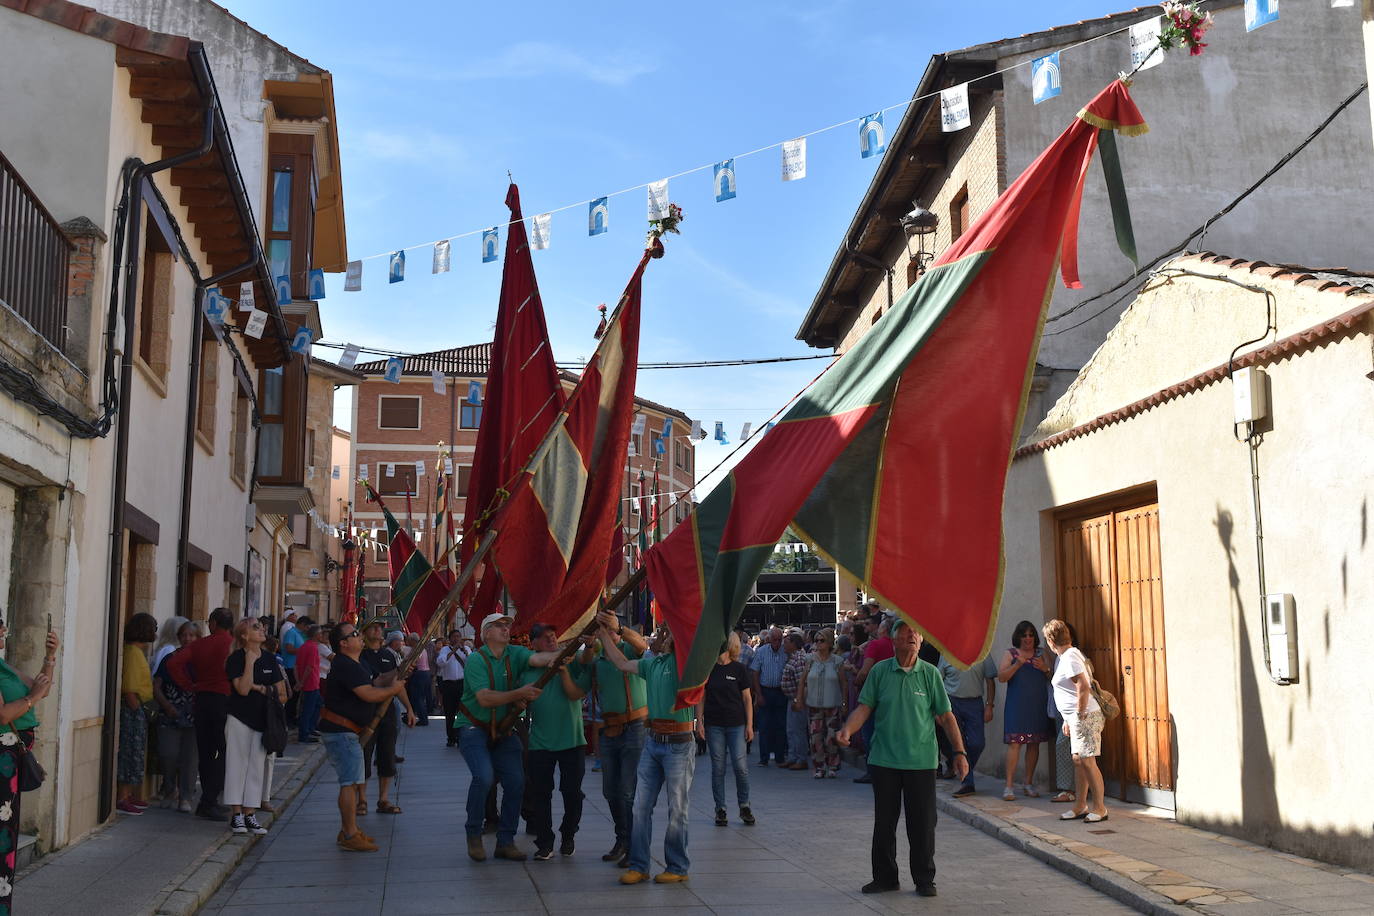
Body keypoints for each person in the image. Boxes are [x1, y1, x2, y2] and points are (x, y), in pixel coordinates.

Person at [837, 618, 967, 898]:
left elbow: (946, 716)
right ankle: (885, 878)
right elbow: (865, 707)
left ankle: (924, 879)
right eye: (905, 631)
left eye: (916, 632)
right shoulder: (881, 672)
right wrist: (848, 728)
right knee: (884, 822)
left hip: (921, 762)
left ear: (921, 642)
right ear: (893, 641)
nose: (912, 635)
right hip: (884, 760)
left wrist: (959, 753)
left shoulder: (930, 674)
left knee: (922, 824)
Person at [597, 615, 702, 886]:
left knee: (677, 809)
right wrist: (603, 635)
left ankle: (678, 866)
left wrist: (618, 629)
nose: (660, 635)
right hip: (653, 742)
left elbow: (696, 646)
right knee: (640, 808)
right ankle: (640, 865)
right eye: (661, 631)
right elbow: (620, 662)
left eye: (666, 632)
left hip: (679, 744)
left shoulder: (686, 666)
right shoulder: (652, 664)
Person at [455, 612, 564, 862]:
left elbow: (539, 659)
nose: (506, 629)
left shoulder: (515, 653)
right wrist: (519, 693)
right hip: (474, 728)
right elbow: (484, 698)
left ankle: (505, 841)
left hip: (505, 730)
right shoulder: (476, 660)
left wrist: (569, 652)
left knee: (516, 782)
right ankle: (473, 834)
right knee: (483, 777)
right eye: (499, 625)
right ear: (486, 634)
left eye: (507, 625)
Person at [320, 621, 408, 852]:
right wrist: (394, 690)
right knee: (348, 783)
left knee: (352, 781)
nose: (360, 636)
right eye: (354, 634)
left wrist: (398, 673)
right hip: (341, 731)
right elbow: (368, 693)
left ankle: (349, 829)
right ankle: (350, 834)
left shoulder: (357, 663)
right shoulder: (345, 664)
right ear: (343, 643)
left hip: (349, 731)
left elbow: (374, 681)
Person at [0, 611, 58, 914]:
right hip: (2, 762)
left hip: (9, 765)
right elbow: (3, 715)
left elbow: (40, 687)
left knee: (6, 841)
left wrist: (50, 656)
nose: (4, 628)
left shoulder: (2, 665)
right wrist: (32, 698)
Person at [522, 623, 591, 860]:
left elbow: (578, 689)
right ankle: (544, 842)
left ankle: (568, 834)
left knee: (572, 793)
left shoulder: (571, 660)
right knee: (541, 794)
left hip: (572, 740)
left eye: (553, 635)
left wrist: (564, 668)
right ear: (533, 644)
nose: (551, 639)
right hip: (540, 743)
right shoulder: (529, 666)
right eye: (543, 638)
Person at [583, 621, 648, 866]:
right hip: (609, 728)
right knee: (610, 790)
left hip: (635, 725)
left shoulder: (629, 651)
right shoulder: (598, 659)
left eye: (608, 629)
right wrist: (589, 643)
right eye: (603, 629)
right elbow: (582, 662)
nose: (606, 633)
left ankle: (633, 845)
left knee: (628, 790)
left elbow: (641, 644)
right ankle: (622, 839)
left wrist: (619, 628)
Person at [169, 607, 234, 820]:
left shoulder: (199, 644)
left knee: (206, 752)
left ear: (213, 623)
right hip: (226, 700)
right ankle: (211, 800)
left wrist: (188, 684)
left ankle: (208, 800)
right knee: (221, 751)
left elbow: (174, 663)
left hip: (203, 700)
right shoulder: (232, 644)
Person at [222, 618, 286, 835]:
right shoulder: (236, 659)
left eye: (261, 627)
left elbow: (282, 693)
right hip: (239, 717)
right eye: (255, 627)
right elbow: (241, 688)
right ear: (244, 635)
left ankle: (250, 813)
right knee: (236, 764)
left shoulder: (270, 660)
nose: (261, 630)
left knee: (257, 767)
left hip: (263, 720)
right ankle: (236, 813)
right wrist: (250, 662)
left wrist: (260, 688)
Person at [1044, 619, 1108, 823]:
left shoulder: (1070, 656)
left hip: (1085, 716)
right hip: (1076, 718)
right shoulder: (1067, 656)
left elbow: (1083, 684)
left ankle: (1100, 808)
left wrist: (1079, 714)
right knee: (1079, 761)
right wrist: (1067, 719)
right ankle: (1080, 805)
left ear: (1051, 641)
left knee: (1088, 762)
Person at [359, 623, 416, 815]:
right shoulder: (360, 656)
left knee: (387, 755)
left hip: (388, 711)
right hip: (366, 711)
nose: (377, 630)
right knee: (364, 756)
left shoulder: (388, 655)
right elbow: (378, 680)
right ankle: (362, 799)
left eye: (379, 628)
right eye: (373, 628)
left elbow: (397, 685)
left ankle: (383, 799)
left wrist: (409, 708)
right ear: (364, 632)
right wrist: (399, 670)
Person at [997, 619, 1052, 801]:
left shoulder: (1041, 653)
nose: (1028, 638)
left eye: (1030, 635)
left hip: (1037, 705)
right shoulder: (1010, 654)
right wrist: (1017, 665)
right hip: (1017, 706)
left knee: (1034, 744)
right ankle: (1009, 786)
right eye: (1024, 635)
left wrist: (1045, 669)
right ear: (1018, 637)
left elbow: (1054, 676)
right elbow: (1002, 677)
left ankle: (1028, 783)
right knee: (1015, 744)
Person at [703, 632, 754, 827]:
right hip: (714, 724)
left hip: (736, 723)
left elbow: (747, 699)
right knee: (718, 768)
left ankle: (744, 805)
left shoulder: (739, 669)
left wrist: (750, 725)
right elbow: (701, 697)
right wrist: (699, 722)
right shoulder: (709, 669)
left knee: (740, 767)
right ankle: (720, 808)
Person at [937, 651, 998, 798]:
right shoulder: (947, 652)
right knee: (959, 743)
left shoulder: (984, 650)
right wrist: (938, 710)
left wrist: (989, 705)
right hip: (952, 702)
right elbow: (938, 681)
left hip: (975, 702)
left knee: (978, 743)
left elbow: (990, 680)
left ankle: (964, 770)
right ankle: (967, 783)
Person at [153, 619, 200, 812]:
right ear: (179, 637)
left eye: (191, 635)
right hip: (169, 713)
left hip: (194, 715)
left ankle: (186, 796)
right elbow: (156, 685)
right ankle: (170, 788)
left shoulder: (202, 661)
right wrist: (166, 704)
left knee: (190, 758)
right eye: (184, 635)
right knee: (168, 753)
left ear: (197, 638)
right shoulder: (169, 659)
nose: (187, 638)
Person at [117, 612, 158, 814]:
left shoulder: (137, 652)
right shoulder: (133, 653)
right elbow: (130, 688)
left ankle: (129, 794)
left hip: (138, 709)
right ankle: (122, 797)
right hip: (134, 711)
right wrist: (138, 713)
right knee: (130, 753)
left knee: (136, 754)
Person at [798, 627, 846, 778]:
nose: (818, 643)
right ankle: (819, 767)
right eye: (816, 640)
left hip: (832, 704)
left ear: (829, 642)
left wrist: (844, 703)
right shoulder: (810, 659)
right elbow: (802, 681)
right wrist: (799, 698)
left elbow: (843, 683)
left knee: (831, 737)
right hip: (814, 705)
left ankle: (832, 765)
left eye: (822, 640)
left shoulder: (837, 661)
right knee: (816, 737)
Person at [852, 613, 894, 784]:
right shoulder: (897, 645)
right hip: (892, 694)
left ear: (882, 629)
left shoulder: (875, 644)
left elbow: (865, 669)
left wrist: (856, 680)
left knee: (869, 733)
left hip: (874, 695)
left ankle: (873, 770)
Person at [747, 627, 787, 767]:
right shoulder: (761, 652)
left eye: (779, 640)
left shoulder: (785, 651)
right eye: (774, 639)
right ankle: (763, 758)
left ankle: (779, 757)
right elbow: (755, 673)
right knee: (764, 726)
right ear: (769, 639)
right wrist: (759, 694)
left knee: (780, 725)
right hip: (766, 691)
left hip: (781, 692)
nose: (777, 642)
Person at [779, 632, 809, 770]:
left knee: (798, 730)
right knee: (791, 729)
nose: (784, 645)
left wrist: (799, 699)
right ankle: (793, 757)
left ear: (794, 643)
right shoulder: (792, 657)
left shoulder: (800, 659)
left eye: (786, 642)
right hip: (791, 699)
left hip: (797, 699)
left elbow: (801, 683)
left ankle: (801, 758)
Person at [436, 629, 469, 747]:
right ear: (450, 639)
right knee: (449, 713)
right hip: (449, 684)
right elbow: (440, 663)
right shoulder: (444, 650)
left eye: (458, 636)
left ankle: (461, 737)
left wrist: (465, 652)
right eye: (454, 636)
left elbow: (472, 663)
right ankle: (451, 737)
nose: (456, 639)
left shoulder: (466, 649)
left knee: (463, 713)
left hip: (462, 684)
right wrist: (452, 652)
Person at [296, 623, 322, 743]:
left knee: (317, 705)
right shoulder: (313, 648)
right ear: (316, 635)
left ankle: (310, 728)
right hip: (311, 682)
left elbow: (296, 666)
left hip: (309, 682)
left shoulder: (303, 646)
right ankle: (304, 733)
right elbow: (310, 667)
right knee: (308, 709)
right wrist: (301, 682)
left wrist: (298, 681)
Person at [404, 633, 433, 726]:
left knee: (418, 697)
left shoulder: (417, 649)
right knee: (417, 697)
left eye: (409, 640)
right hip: (425, 673)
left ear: (413, 640)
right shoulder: (422, 648)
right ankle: (411, 715)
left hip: (420, 674)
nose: (407, 642)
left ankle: (423, 719)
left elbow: (413, 661)